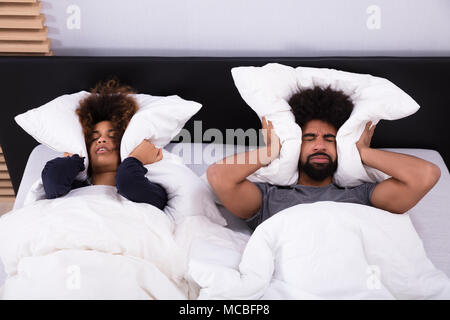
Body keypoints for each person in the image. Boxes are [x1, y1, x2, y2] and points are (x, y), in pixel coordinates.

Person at [207, 86, 441, 230]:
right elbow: (219, 177)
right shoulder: (269, 198)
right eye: (309, 138)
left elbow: (426, 175)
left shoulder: (362, 195)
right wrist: (271, 151)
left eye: (330, 139)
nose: (320, 145)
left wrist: (363, 152)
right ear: (296, 146)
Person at [41, 79, 168, 210]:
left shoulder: (149, 190)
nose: (101, 140)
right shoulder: (72, 189)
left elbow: (129, 183)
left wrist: (135, 159)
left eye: (113, 136)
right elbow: (53, 180)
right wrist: (74, 160)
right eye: (94, 138)